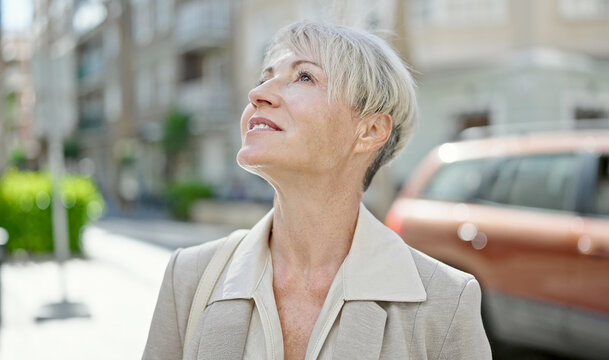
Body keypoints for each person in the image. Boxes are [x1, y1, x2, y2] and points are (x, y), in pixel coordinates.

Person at [143, 20, 491, 360]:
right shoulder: (188, 277)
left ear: (370, 130)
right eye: (264, 78)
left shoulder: (445, 301)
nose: (257, 94)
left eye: (304, 76)